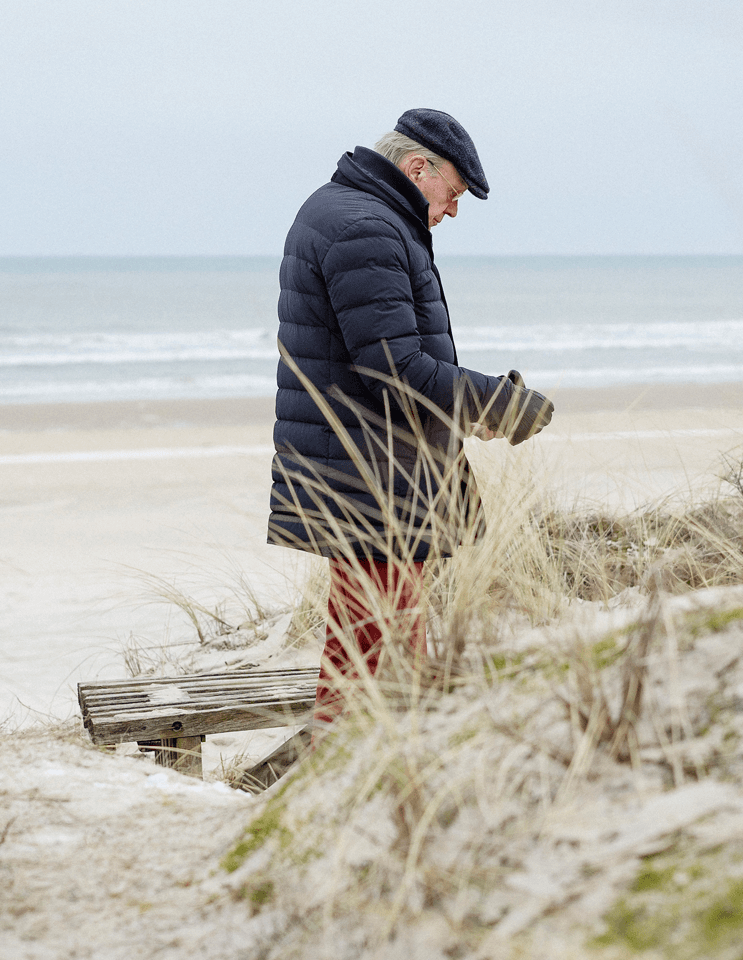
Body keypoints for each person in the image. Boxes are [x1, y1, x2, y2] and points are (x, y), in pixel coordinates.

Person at [236, 109, 553, 792]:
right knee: (373, 656)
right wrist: (497, 404)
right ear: (418, 169)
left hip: (362, 466)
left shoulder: (357, 214)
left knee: (374, 647)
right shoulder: (367, 227)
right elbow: (394, 370)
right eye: (454, 195)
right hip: (368, 475)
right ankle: (342, 794)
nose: (453, 212)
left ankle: (356, 784)